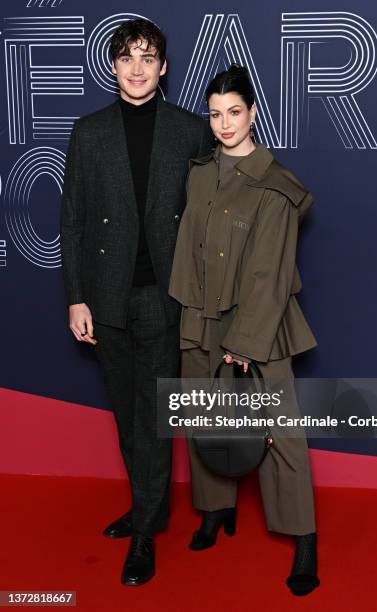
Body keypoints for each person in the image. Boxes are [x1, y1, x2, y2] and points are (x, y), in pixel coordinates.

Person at [60, 18, 212, 586]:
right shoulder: (89, 131)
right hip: (106, 296)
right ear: (114, 65)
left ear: (164, 66)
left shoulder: (189, 131)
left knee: (152, 419)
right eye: (127, 57)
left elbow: (206, 221)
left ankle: (145, 531)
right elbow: (71, 222)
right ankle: (147, 505)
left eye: (148, 57)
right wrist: (77, 300)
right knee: (128, 418)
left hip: (164, 297)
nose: (138, 67)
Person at [169, 64, 320, 596]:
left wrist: (243, 344)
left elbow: (269, 273)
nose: (224, 123)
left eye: (234, 112)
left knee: (279, 433)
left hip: (257, 323)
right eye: (215, 114)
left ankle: (303, 535)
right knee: (205, 418)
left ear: (253, 113)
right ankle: (214, 511)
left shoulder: (275, 185)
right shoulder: (199, 172)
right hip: (198, 317)